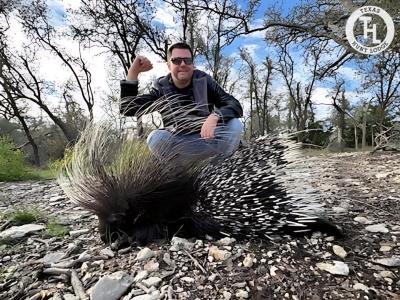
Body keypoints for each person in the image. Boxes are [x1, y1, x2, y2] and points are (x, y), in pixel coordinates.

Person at [120, 42, 243, 167]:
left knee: (235, 125)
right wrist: (133, 73)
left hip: (208, 139)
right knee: (155, 138)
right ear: (169, 65)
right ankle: (181, 173)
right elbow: (128, 109)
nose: (183, 64)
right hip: (180, 145)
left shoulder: (204, 80)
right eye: (177, 60)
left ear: (192, 64)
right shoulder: (161, 87)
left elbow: (234, 104)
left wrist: (215, 116)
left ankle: (222, 167)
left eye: (187, 60)